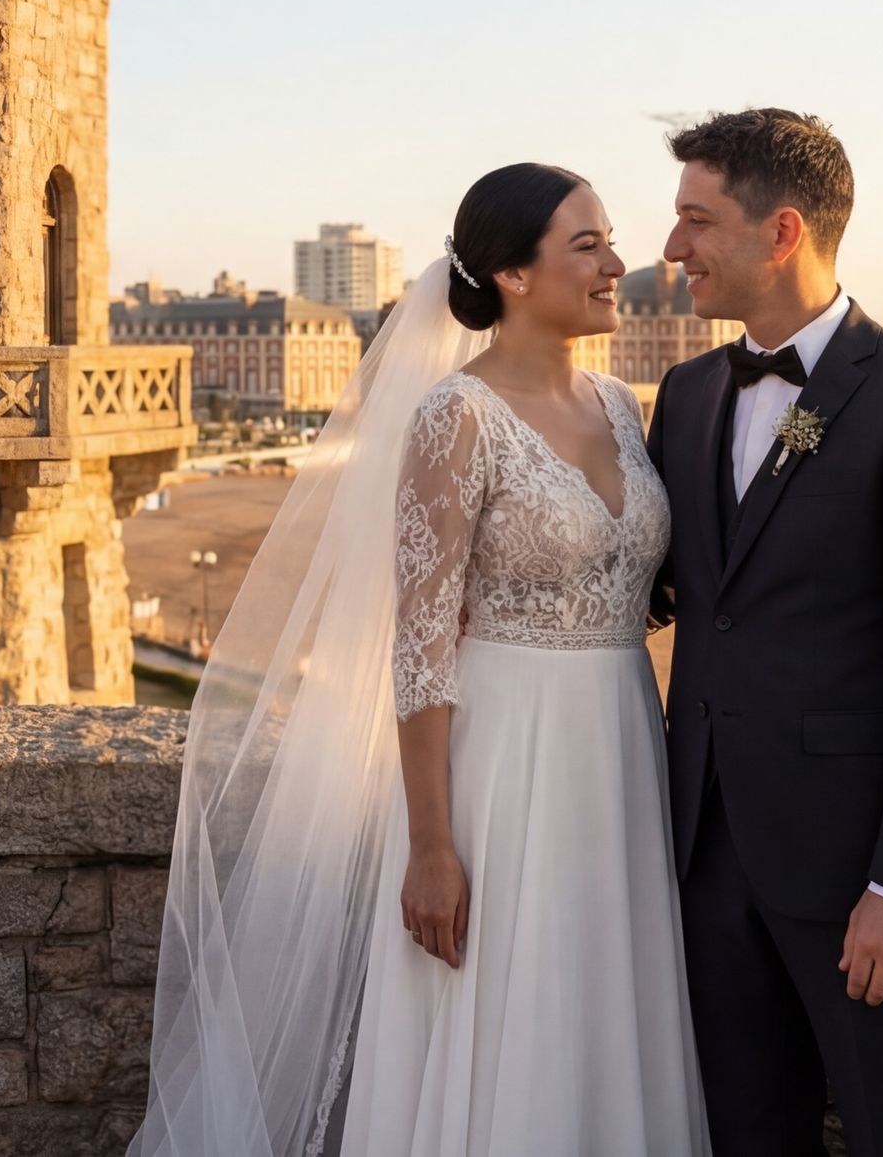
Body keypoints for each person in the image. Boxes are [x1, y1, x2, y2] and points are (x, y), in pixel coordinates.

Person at [136, 163, 708, 1157]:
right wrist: (433, 845)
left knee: (609, 1003)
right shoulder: (456, 417)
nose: (618, 264)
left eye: (611, 241)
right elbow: (421, 647)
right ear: (513, 275)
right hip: (504, 766)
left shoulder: (623, 406)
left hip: (620, 753)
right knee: (507, 1012)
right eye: (588, 246)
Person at [647, 109, 883, 1157]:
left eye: (696, 220)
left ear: (783, 231)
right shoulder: (688, 395)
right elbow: (671, 589)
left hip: (861, 875)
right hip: (705, 857)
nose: (671, 247)